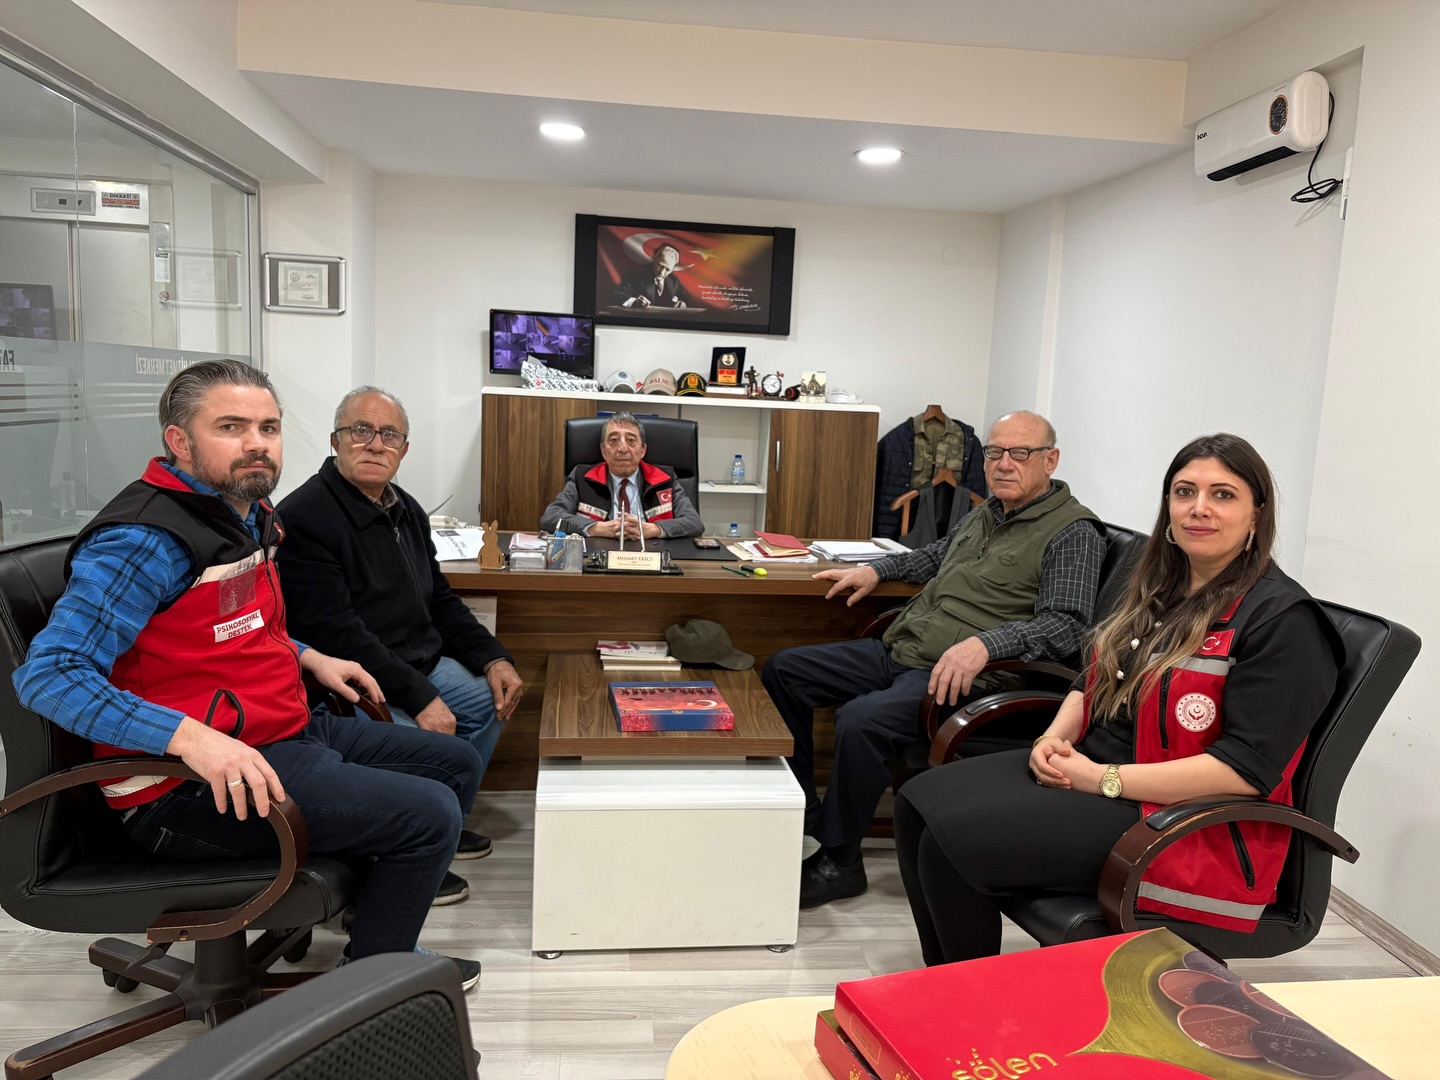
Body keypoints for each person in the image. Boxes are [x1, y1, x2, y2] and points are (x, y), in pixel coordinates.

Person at [12, 361, 484, 989]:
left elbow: (231, 625)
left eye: (269, 427)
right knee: (430, 813)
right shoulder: (145, 540)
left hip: (277, 731)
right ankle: (372, 979)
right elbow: (51, 675)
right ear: (179, 441)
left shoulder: (246, 512)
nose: (257, 443)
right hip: (186, 785)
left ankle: (376, 917)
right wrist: (194, 740)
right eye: (231, 427)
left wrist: (307, 655)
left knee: (455, 764)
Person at [894, 433, 1343, 966]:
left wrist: (1099, 779)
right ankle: (950, 989)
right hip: (1099, 775)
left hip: (1176, 822)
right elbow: (1092, 678)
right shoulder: (1162, 584)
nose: (1199, 508)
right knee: (914, 804)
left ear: (1256, 515)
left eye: (1223, 495)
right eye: (1184, 492)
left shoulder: (1283, 621)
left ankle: (970, 999)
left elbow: (1243, 771)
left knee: (950, 841)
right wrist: (1051, 739)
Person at [761, 410, 1104, 908]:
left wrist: (987, 645)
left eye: (1020, 453)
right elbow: (934, 556)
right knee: (784, 671)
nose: (1004, 464)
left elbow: (1066, 625)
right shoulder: (988, 512)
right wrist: (877, 570)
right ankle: (808, 814)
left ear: (1050, 460)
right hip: (908, 647)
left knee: (861, 720)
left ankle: (840, 860)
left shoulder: (1072, 531)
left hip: (970, 677)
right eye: (994, 452)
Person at [276, 387, 525, 890]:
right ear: (335, 441)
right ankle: (401, 851)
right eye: (360, 431)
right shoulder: (305, 516)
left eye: (389, 435)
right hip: (356, 680)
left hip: (419, 665)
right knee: (419, 740)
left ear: (404, 449)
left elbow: (440, 600)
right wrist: (422, 698)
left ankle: (443, 826)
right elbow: (338, 633)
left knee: (491, 698)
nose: (375, 444)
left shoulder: (405, 508)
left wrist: (493, 658)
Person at [540, 410, 703, 539]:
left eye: (631, 440)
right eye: (613, 440)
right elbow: (551, 517)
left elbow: (694, 522)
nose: (623, 448)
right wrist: (598, 528)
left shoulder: (665, 478)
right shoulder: (582, 477)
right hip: (598, 558)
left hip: (654, 557)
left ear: (642, 450)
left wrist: (653, 529)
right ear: (603, 451)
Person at [614, 242, 694, 309]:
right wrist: (635, 302)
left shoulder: (674, 281)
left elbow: (686, 299)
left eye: (667, 269)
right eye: (660, 266)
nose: (662, 272)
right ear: (655, 259)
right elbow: (617, 295)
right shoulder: (636, 276)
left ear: (672, 269)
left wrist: (683, 304)